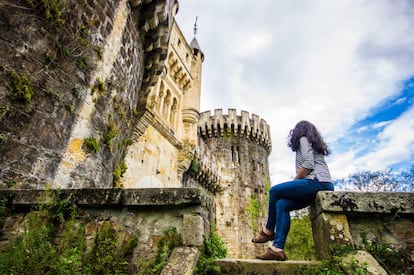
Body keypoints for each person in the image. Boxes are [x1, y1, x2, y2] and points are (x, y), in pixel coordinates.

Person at [252, 120, 334, 261]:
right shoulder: (312, 143)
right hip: (321, 184)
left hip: (318, 182)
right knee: (282, 204)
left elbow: (308, 165)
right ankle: (277, 249)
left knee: (275, 191)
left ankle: (268, 231)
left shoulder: (304, 138)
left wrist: (295, 182)